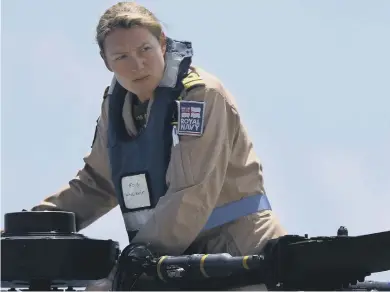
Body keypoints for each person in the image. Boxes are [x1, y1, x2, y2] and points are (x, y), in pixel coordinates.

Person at [30, 1, 287, 290]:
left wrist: (137, 258)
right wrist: (31, 228)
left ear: (162, 43)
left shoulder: (198, 97)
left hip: (237, 255)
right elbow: (97, 184)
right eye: (122, 56)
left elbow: (192, 192)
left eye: (145, 50)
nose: (137, 64)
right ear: (106, 61)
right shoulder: (116, 105)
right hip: (171, 259)